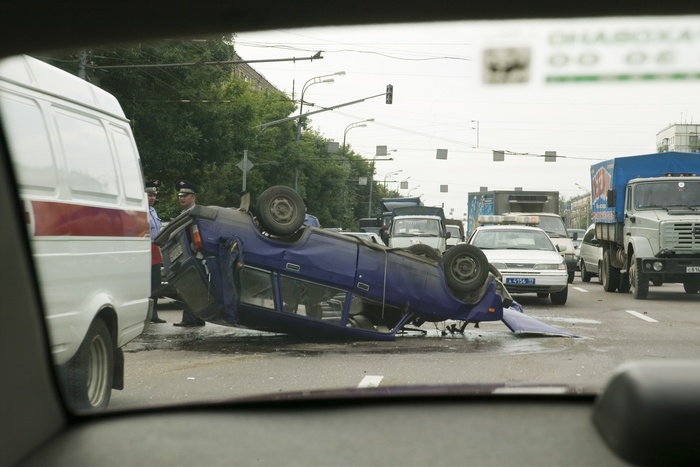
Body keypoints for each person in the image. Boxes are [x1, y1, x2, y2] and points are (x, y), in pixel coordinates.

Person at [172, 179, 206, 327]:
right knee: (196, 289)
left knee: (190, 288)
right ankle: (198, 318)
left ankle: (190, 319)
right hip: (190, 256)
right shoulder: (185, 213)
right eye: (180, 195)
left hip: (195, 256)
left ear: (193, 197)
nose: (182, 198)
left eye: (186, 195)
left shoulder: (194, 214)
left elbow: (198, 238)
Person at [146, 180, 166, 323]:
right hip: (144, 250)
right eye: (149, 195)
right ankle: (147, 313)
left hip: (155, 249)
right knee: (146, 285)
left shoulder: (153, 211)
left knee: (156, 285)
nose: (152, 198)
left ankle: (154, 313)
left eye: (154, 195)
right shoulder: (141, 210)